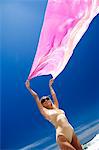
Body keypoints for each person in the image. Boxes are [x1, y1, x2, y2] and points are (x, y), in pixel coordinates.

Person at [25, 78, 82, 150]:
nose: (45, 100)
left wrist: (50, 86)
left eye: (47, 98)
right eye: (43, 100)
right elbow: (36, 96)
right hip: (62, 136)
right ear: (42, 105)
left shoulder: (56, 107)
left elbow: (54, 95)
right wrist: (29, 88)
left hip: (71, 132)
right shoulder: (46, 112)